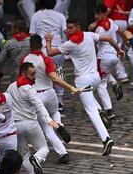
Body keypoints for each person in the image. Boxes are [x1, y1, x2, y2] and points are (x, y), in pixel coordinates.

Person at [46, 18, 122, 156]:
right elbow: (109, 38)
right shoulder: (89, 35)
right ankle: (100, 110)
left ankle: (106, 139)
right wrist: (119, 50)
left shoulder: (69, 44)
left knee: (90, 110)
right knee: (91, 99)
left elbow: (50, 53)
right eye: (67, 28)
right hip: (96, 77)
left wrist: (48, 40)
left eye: (70, 28)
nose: (68, 30)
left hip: (83, 80)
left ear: (77, 26)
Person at [21, 34, 80, 164]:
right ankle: (59, 124)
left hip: (35, 95)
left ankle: (63, 153)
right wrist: (71, 88)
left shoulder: (24, 60)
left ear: (30, 45)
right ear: (41, 45)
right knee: (55, 112)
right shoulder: (46, 59)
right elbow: (55, 78)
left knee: (47, 128)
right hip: (49, 92)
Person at [7, 62, 60, 174]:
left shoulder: (11, 86)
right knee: (43, 149)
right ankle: (36, 159)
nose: (35, 76)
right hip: (31, 124)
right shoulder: (29, 89)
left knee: (24, 155)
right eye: (32, 74)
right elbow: (39, 105)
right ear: (24, 73)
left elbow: (4, 100)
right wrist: (49, 120)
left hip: (17, 125)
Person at [29, 0, 67, 110]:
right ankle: (59, 100)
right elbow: (64, 32)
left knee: (43, 74)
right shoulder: (60, 16)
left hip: (43, 51)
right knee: (59, 72)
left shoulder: (36, 16)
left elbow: (32, 34)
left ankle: (44, 99)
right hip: (58, 49)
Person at [91, 3, 124, 119]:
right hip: (114, 57)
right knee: (105, 72)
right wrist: (125, 43)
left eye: (98, 14)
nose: (96, 16)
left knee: (101, 84)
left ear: (104, 13)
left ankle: (109, 110)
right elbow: (120, 31)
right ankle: (114, 83)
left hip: (103, 57)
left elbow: (94, 41)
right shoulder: (111, 21)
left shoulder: (99, 28)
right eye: (95, 14)